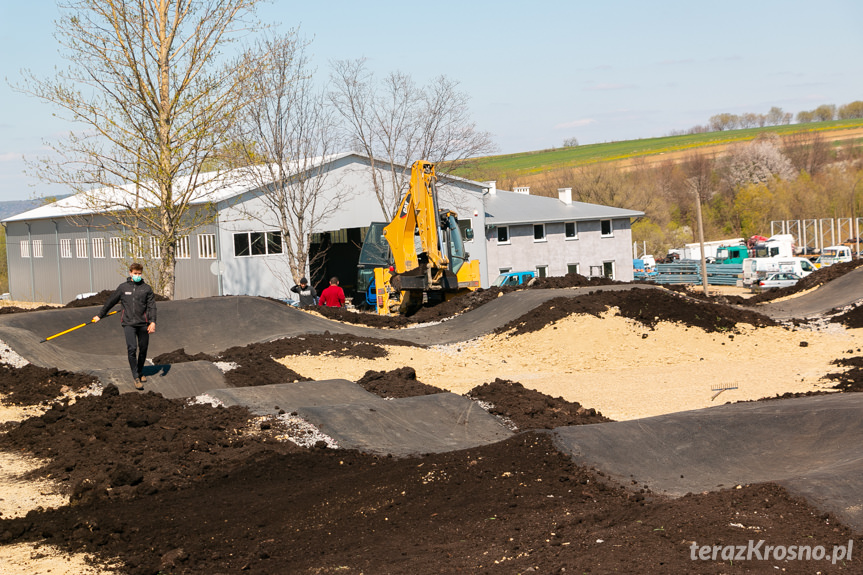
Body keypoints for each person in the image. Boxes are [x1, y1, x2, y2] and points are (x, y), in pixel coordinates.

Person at [92, 263, 157, 390]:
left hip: (143, 323)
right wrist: (100, 315)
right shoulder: (123, 288)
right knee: (132, 349)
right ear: (130, 273)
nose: (137, 276)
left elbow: (152, 306)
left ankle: (139, 370)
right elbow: (110, 302)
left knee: (143, 349)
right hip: (128, 324)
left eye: (139, 274)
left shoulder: (146, 289)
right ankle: (136, 377)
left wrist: (153, 322)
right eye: (135, 273)